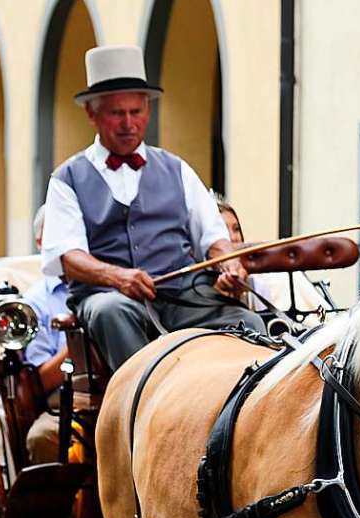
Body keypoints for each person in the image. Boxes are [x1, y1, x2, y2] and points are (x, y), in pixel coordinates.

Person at [40, 45, 264, 371]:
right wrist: (117, 277)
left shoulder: (177, 169)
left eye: (137, 111)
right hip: (111, 298)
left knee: (249, 324)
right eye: (117, 113)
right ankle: (141, 403)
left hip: (183, 296)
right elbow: (67, 257)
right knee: (109, 311)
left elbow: (214, 241)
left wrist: (228, 267)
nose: (128, 123)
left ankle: (237, 414)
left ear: (148, 110)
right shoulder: (67, 178)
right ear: (92, 113)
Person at [23, 205, 70, 463]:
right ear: (41, 243)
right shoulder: (36, 301)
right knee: (41, 438)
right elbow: (40, 381)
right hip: (64, 406)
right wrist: (78, 342)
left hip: (118, 398)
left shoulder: (107, 288)